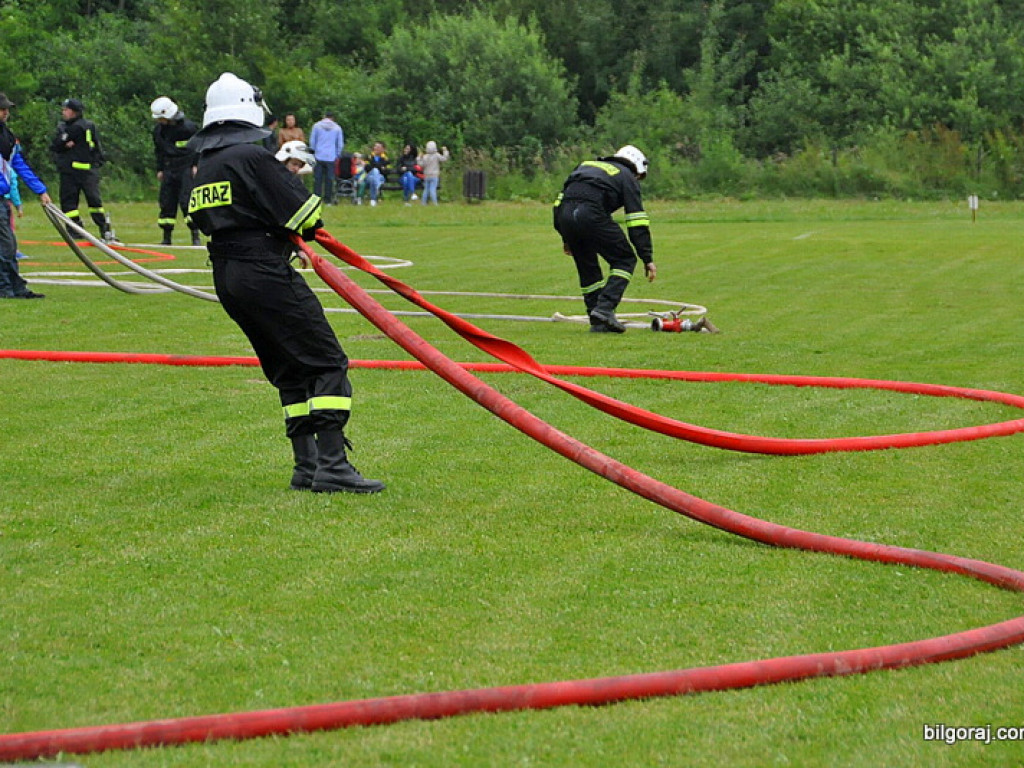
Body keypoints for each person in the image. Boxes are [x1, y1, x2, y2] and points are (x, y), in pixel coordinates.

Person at [186, 73, 384, 494]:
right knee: (327, 362)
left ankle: (306, 465)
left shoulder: (206, 164)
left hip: (228, 274)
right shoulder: (251, 156)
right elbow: (307, 217)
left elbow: (203, 218)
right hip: (262, 271)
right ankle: (333, 465)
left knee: (290, 370)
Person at [553, 145, 656, 333]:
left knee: (587, 267)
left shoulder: (585, 166)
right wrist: (646, 257)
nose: (637, 181)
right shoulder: (626, 176)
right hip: (591, 214)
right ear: (636, 168)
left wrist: (566, 236)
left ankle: (597, 318)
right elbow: (636, 219)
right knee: (624, 259)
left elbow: (559, 203)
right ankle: (605, 309)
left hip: (565, 215)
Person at [0, 92, 52, 298]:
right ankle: (5, 288)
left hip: (2, 199)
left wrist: (40, 190)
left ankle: (16, 287)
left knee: (9, 244)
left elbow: (18, 164)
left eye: (7, 109)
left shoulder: (7, 136)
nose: (6, 113)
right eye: (3, 109)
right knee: (5, 244)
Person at [50, 97, 116, 243]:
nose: (63, 112)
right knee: (89, 201)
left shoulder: (73, 128)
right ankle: (102, 228)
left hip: (75, 171)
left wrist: (64, 143)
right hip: (83, 171)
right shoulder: (87, 126)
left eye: (66, 110)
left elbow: (57, 145)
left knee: (74, 202)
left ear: (74, 112)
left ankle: (76, 229)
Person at [150, 96, 201, 246]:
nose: (159, 121)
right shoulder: (159, 131)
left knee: (187, 201)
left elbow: (198, 148)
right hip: (168, 168)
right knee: (166, 202)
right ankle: (166, 237)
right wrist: (160, 169)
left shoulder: (189, 128)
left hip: (186, 168)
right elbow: (158, 151)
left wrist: (196, 165)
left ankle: (195, 235)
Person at [308, 110, 343, 205]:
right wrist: (337, 155)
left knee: (318, 178)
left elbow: (312, 141)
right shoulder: (337, 128)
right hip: (331, 156)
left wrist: (312, 152)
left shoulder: (316, 126)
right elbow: (339, 144)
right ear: (333, 118)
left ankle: (316, 199)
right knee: (329, 179)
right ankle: (328, 199)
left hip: (319, 155)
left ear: (324, 116)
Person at [417, 140, 449, 205]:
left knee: (426, 190)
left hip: (426, 175)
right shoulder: (436, 155)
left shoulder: (425, 156)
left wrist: (419, 158)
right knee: (432, 190)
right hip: (434, 175)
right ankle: (435, 203)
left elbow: (421, 165)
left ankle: (423, 203)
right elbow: (444, 159)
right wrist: (445, 151)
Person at [362, 141, 390, 207]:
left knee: (373, 177)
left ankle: (373, 200)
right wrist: (380, 167)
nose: (375, 148)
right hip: (368, 177)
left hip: (381, 178)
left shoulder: (386, 158)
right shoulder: (369, 157)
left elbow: (387, 171)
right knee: (375, 171)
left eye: (378, 147)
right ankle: (377, 188)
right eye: (375, 146)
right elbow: (367, 168)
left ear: (383, 149)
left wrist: (375, 166)